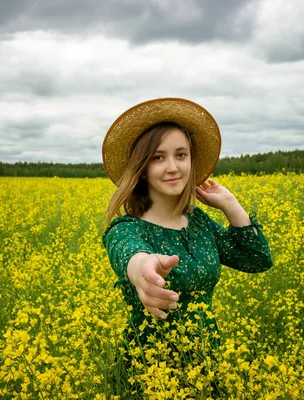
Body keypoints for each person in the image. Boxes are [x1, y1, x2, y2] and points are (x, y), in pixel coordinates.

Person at [101, 98, 273, 395]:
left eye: (181, 155)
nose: (172, 167)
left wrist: (230, 205)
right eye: (157, 158)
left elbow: (257, 260)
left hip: (207, 359)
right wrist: (143, 269)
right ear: (141, 168)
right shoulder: (127, 229)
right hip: (150, 369)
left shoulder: (199, 223)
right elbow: (130, 254)